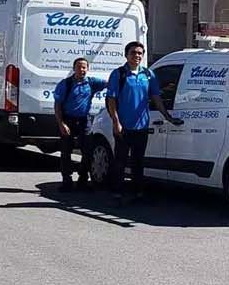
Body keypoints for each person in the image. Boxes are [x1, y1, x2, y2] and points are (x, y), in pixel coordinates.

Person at [104, 41, 180, 201]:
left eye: (139, 53)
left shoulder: (148, 75)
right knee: (121, 160)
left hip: (142, 126)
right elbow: (111, 100)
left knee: (138, 161)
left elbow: (156, 98)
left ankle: (138, 191)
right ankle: (117, 191)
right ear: (126, 55)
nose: (136, 56)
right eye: (133, 53)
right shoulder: (119, 74)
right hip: (123, 126)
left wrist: (168, 117)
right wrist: (115, 122)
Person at [53, 56, 107, 191]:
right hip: (67, 120)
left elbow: (110, 83)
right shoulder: (66, 84)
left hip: (84, 121)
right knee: (66, 152)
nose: (81, 69)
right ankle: (67, 181)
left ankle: (83, 179)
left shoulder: (92, 83)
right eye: (78, 67)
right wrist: (61, 124)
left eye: (84, 67)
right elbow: (57, 105)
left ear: (87, 69)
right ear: (74, 69)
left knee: (88, 151)